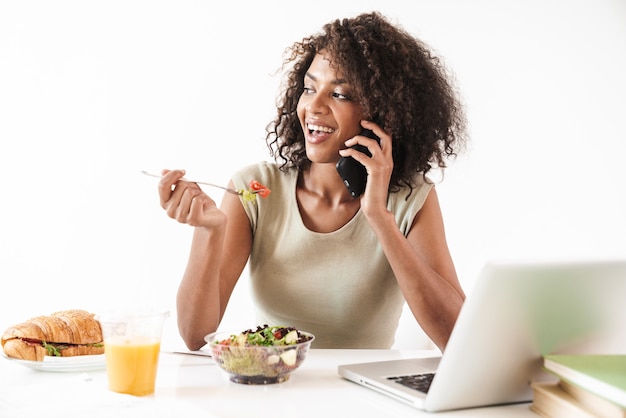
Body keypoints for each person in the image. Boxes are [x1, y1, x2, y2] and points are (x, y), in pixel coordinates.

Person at [157, 11, 467, 351]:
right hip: (272, 387)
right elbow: (194, 335)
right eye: (309, 88)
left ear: (381, 113)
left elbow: (458, 338)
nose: (313, 106)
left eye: (340, 94)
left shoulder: (410, 198)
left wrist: (379, 217)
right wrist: (208, 231)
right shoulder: (256, 189)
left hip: (364, 398)